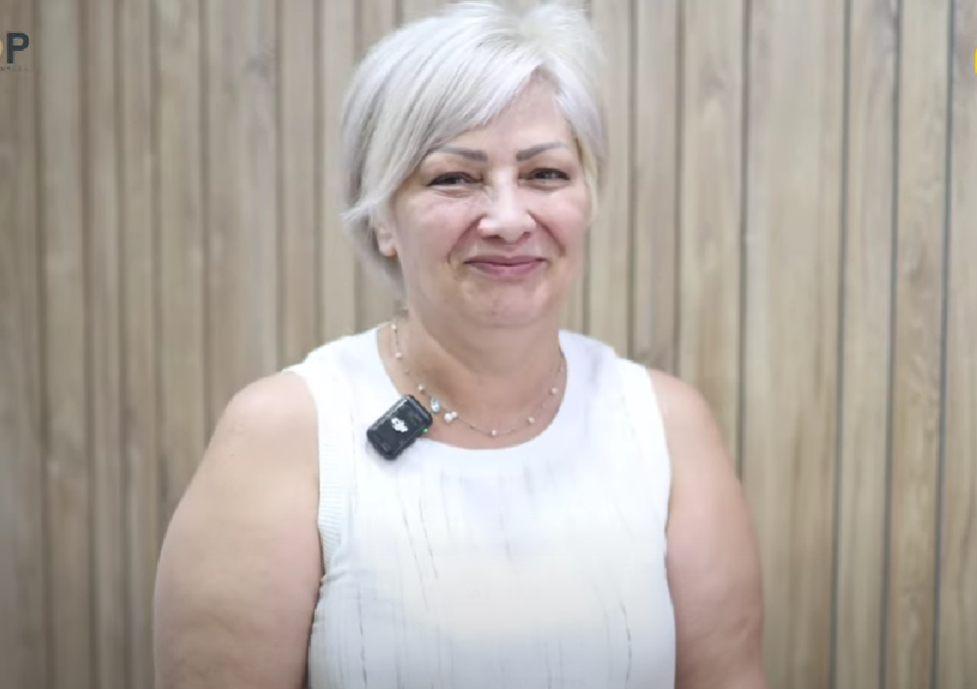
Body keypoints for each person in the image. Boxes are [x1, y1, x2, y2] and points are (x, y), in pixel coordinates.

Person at [152, 1, 766, 687]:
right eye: (455, 178)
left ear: (587, 198)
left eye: (544, 174)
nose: (508, 218)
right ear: (383, 218)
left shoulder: (667, 427)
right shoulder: (284, 436)